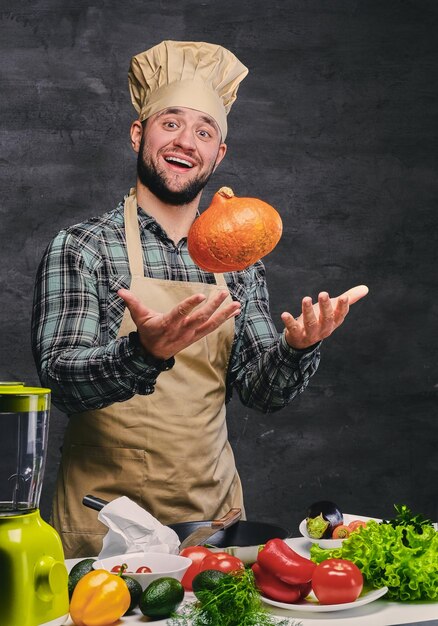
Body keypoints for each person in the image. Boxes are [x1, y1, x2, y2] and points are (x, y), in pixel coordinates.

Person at [31, 40, 368, 558]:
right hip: (103, 529)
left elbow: (262, 392)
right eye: (170, 124)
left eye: (204, 131)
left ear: (219, 154)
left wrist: (298, 347)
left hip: (211, 528)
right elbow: (62, 378)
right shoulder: (83, 246)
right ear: (138, 133)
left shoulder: (240, 263)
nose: (186, 141)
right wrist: (143, 352)